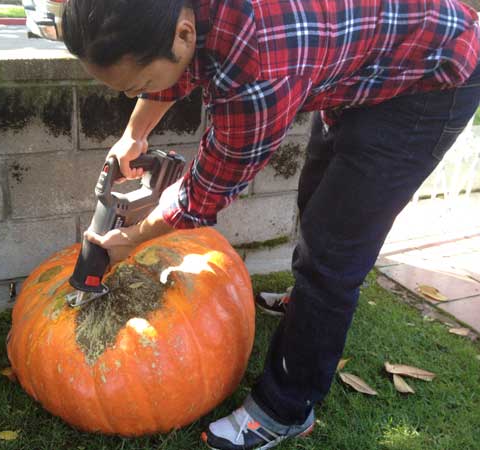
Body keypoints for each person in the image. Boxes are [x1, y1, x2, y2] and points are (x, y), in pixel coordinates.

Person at [60, 0, 480, 448]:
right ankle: (306, 306)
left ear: (183, 34)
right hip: (365, 66)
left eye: (138, 84)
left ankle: (286, 409)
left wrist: (133, 238)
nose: (132, 95)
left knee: (333, 254)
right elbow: (172, 71)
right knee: (315, 198)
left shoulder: (257, 70)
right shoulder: (176, 17)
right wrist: (134, 133)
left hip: (429, 79)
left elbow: (203, 191)